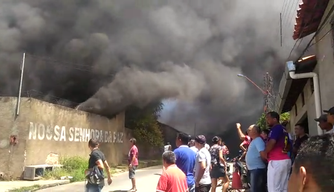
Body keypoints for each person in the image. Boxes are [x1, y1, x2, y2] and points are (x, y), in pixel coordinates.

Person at [264, 111, 292, 192]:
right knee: (284, 188)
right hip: (285, 160)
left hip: (276, 161)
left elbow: (272, 142)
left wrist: (265, 152)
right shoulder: (284, 130)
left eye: (268, 119)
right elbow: (289, 144)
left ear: (275, 119)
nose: (267, 121)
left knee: (273, 189)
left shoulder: (276, 128)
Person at [245, 125, 267, 192]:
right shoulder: (254, 140)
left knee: (256, 189)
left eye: (250, 129)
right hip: (254, 169)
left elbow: (263, 154)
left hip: (257, 169)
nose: (248, 131)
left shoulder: (258, 140)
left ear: (255, 131)